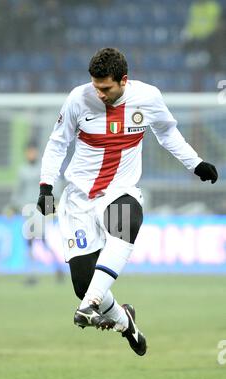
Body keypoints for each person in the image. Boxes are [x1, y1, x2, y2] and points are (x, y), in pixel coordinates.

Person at [36, 47, 218, 356]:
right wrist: (46, 186)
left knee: (126, 222)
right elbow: (57, 143)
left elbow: (167, 134)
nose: (100, 93)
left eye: (105, 87)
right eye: (95, 86)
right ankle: (125, 323)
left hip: (120, 189)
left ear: (123, 80)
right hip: (78, 200)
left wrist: (195, 164)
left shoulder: (148, 98)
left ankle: (89, 306)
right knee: (83, 281)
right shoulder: (78, 99)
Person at [4, 138, 64, 284]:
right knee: (39, 241)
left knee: (33, 240)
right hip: (27, 211)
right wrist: (12, 206)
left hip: (41, 209)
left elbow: (52, 185)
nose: (31, 154)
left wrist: (52, 206)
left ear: (36, 152)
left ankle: (34, 275)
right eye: (29, 151)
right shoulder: (22, 170)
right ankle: (55, 269)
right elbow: (18, 191)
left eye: (33, 151)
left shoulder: (43, 168)